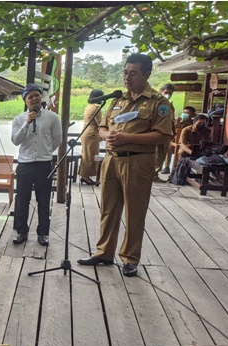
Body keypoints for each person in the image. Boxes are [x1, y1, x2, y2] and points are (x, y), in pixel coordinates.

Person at [78, 53, 173, 277]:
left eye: (133, 73)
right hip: (112, 159)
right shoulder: (117, 100)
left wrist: (127, 138)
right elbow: (102, 127)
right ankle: (104, 252)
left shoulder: (159, 103)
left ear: (146, 75)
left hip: (137, 161)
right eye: (125, 72)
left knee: (134, 211)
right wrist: (107, 135)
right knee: (108, 208)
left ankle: (130, 258)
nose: (127, 77)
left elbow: (162, 135)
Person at [10, 83, 62, 246]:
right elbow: (15, 140)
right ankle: (22, 232)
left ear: (41, 97)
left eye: (36, 95)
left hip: (44, 165)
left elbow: (57, 139)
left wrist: (44, 152)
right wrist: (27, 123)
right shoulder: (19, 119)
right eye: (30, 97)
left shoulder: (52, 117)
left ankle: (43, 233)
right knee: (22, 200)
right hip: (24, 164)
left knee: (44, 200)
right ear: (25, 101)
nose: (34, 99)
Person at [80, 89, 104, 185]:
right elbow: (100, 123)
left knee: (86, 155)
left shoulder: (89, 106)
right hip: (92, 134)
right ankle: (86, 177)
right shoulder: (96, 107)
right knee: (92, 156)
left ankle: (84, 175)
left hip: (85, 132)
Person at [165, 106, 197, 173]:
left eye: (187, 113)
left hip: (186, 143)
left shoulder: (192, 123)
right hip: (175, 141)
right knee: (169, 147)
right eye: (183, 112)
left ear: (192, 115)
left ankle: (183, 168)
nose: (184, 114)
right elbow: (173, 130)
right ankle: (166, 167)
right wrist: (178, 122)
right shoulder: (178, 121)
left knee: (183, 152)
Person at [155, 83, 177, 179]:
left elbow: (172, 120)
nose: (168, 95)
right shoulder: (155, 103)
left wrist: (173, 132)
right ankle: (153, 174)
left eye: (170, 93)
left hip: (167, 133)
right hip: (156, 133)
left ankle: (156, 173)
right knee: (155, 154)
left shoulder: (170, 105)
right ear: (160, 91)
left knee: (162, 154)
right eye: (166, 92)